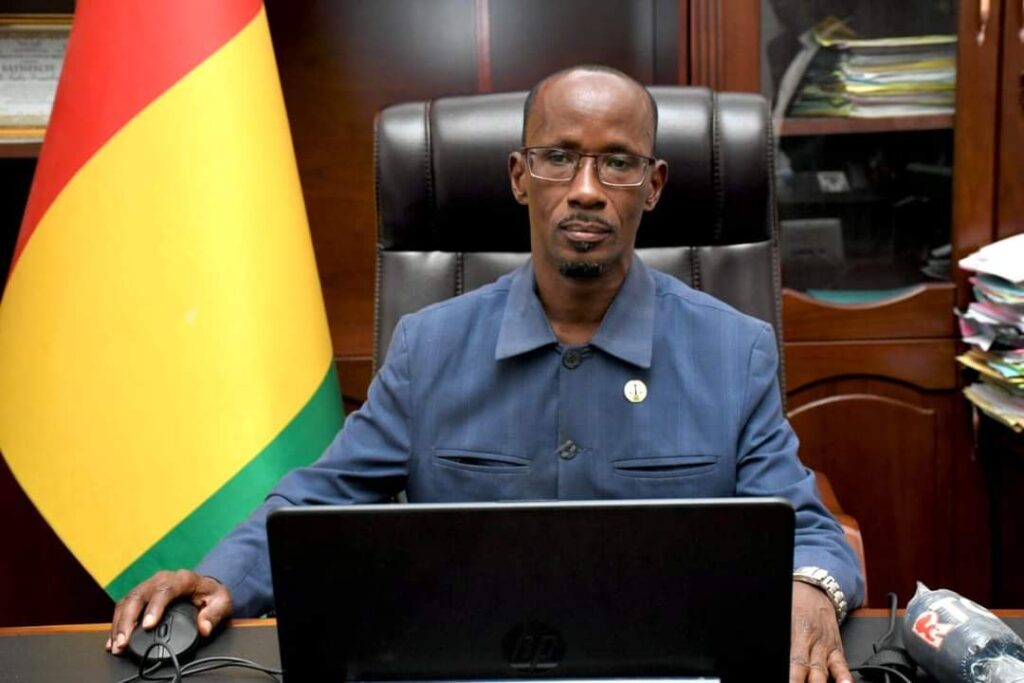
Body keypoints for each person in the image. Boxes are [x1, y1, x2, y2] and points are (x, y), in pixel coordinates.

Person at [108, 65, 864, 683]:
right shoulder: (429, 348)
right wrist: (221, 577)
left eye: (618, 162)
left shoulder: (733, 351)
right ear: (519, 176)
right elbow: (314, 503)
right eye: (558, 156)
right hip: (468, 669)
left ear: (655, 185)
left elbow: (809, 528)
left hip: (665, 670)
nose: (587, 187)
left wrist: (810, 588)